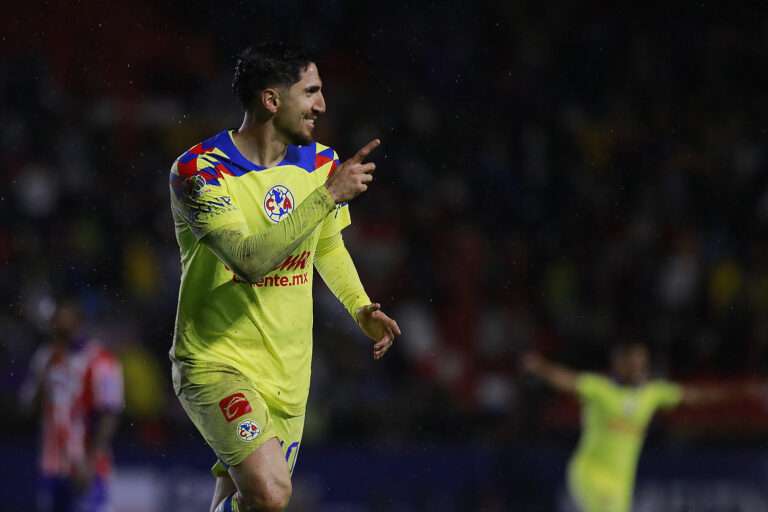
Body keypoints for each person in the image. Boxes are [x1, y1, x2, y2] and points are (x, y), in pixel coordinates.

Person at [168, 42, 401, 512]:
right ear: (272, 101)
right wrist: (327, 196)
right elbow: (249, 260)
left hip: (289, 372)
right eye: (311, 92)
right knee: (272, 494)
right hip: (217, 361)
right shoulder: (200, 171)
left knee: (247, 501)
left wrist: (360, 307)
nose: (322, 105)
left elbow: (327, 244)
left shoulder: (319, 164)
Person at [522, 343, 724, 512]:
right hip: (591, 473)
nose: (639, 368)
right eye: (633, 363)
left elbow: (691, 396)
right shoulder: (600, 388)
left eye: (642, 363)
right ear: (619, 364)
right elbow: (568, 381)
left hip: (621, 485)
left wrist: (730, 394)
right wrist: (540, 367)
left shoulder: (652, 393)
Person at [19, 300, 124, 512]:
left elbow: (109, 415)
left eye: (65, 323)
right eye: (57, 323)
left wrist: (91, 462)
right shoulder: (45, 358)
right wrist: (42, 380)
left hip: (89, 467)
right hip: (52, 467)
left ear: (79, 323)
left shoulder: (102, 361)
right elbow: (27, 408)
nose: (59, 328)